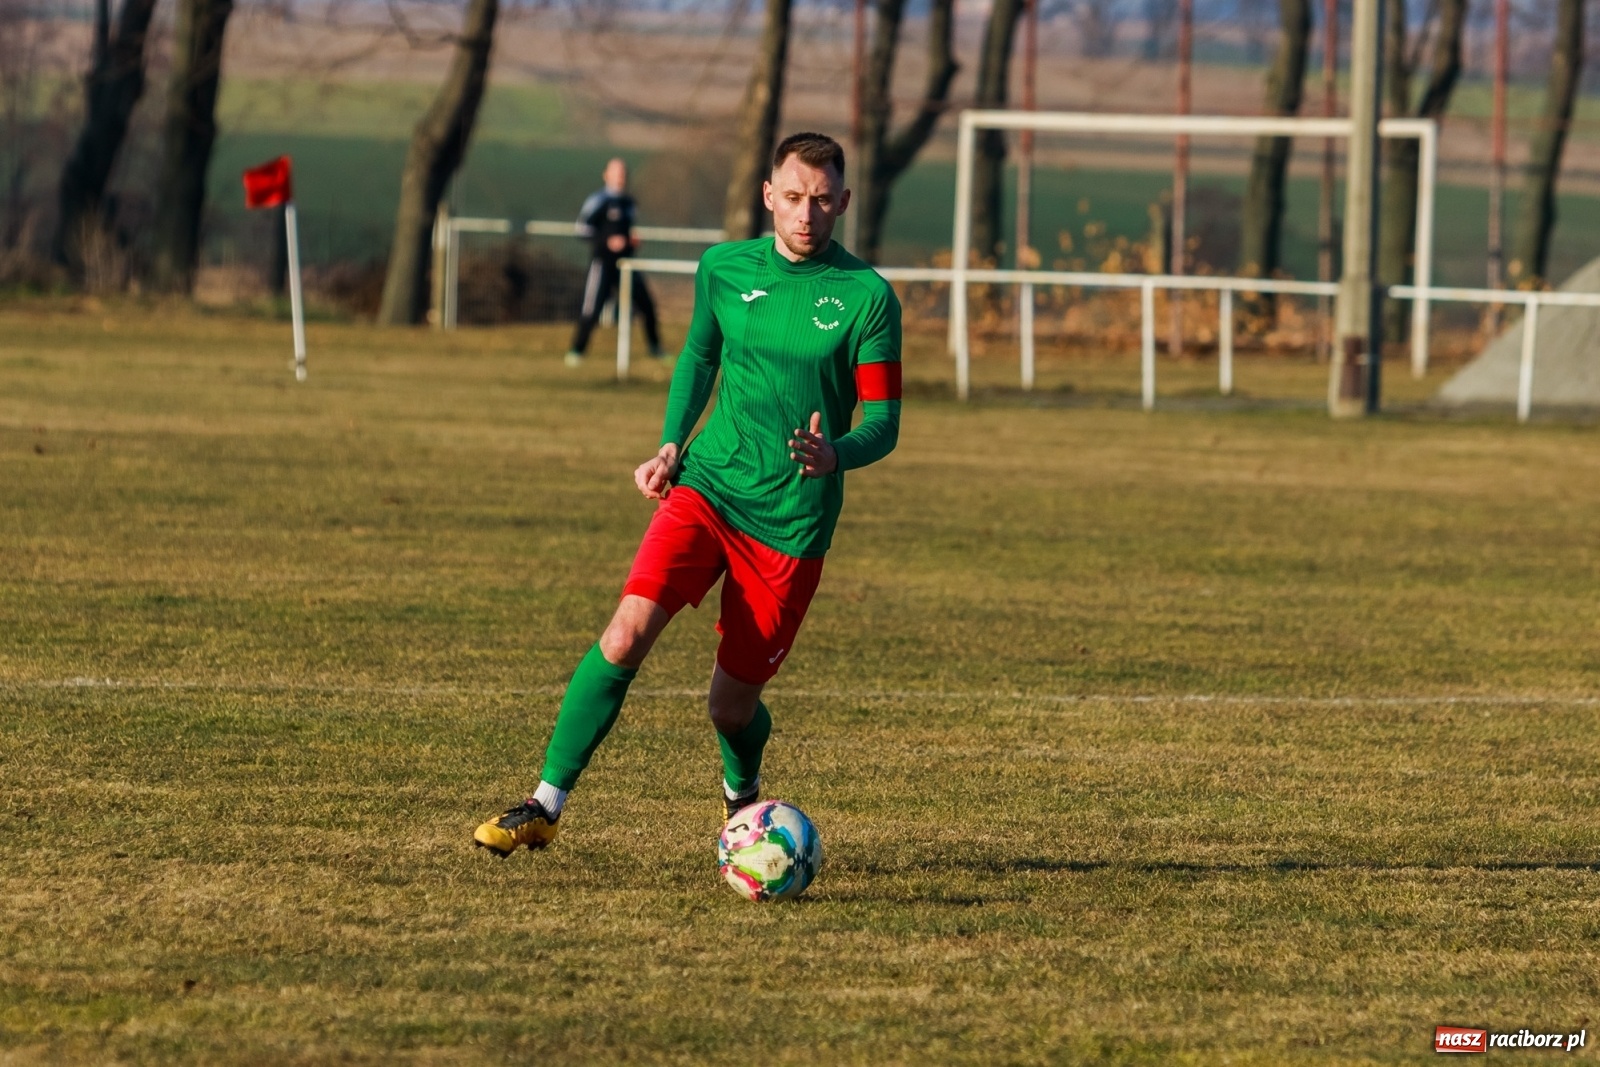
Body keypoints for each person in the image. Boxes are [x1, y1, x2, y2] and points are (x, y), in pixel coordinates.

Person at [474, 131, 903, 856]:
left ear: (844, 202)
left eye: (823, 201)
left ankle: (742, 796)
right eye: (794, 198)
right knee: (625, 631)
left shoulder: (867, 297)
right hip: (709, 484)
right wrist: (673, 442)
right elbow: (700, 354)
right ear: (768, 196)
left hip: (791, 522)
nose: (807, 214)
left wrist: (837, 453)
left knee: (729, 706)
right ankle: (544, 802)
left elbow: (885, 421)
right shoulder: (724, 269)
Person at [566, 158, 662, 367]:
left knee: (647, 305)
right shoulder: (598, 200)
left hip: (626, 265)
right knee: (592, 309)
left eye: (623, 173)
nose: (620, 177)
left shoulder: (629, 203)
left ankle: (656, 349)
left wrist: (631, 240)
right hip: (602, 264)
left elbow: (624, 232)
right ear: (606, 175)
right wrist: (606, 241)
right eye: (616, 173)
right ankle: (576, 351)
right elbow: (582, 230)